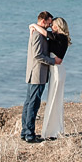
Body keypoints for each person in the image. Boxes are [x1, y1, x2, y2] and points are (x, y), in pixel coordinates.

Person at [21, 10, 61, 144]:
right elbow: (38, 55)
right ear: (43, 21)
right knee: (33, 103)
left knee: (29, 103)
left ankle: (25, 132)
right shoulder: (38, 35)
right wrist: (53, 62)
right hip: (37, 73)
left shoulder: (37, 32)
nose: (50, 26)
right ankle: (29, 134)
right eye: (49, 23)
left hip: (36, 73)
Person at [31, 17, 71, 140]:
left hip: (57, 70)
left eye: (52, 25)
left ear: (58, 26)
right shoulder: (57, 37)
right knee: (53, 99)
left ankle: (52, 131)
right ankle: (52, 131)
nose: (51, 27)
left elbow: (44, 33)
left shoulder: (61, 37)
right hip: (55, 70)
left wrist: (33, 25)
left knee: (55, 99)